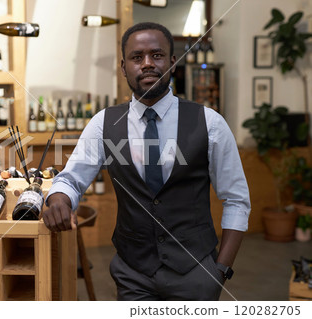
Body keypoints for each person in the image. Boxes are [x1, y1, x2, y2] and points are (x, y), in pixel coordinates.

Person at [43, 22, 250, 301]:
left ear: (172, 62)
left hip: (197, 273)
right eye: (137, 57)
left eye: (157, 55)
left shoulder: (210, 123)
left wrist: (220, 270)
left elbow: (236, 199)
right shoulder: (104, 124)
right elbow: (71, 178)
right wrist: (58, 197)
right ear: (124, 66)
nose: (148, 64)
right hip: (133, 275)